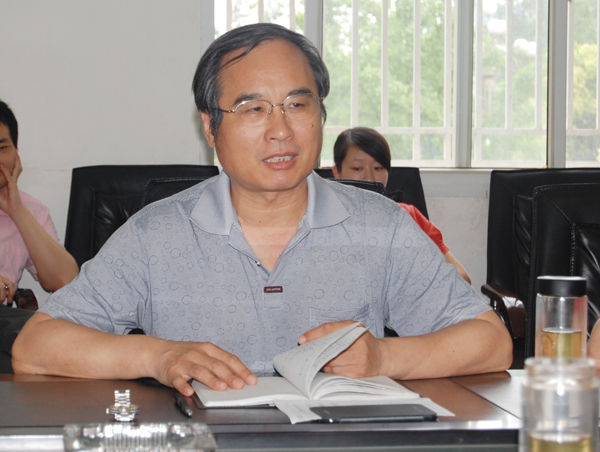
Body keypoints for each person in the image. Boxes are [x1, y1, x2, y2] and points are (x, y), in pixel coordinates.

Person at [13, 24, 512, 396]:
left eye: (297, 105)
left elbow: (492, 342)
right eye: (253, 109)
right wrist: (158, 355)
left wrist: (383, 356)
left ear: (320, 116)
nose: (280, 130)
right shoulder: (155, 234)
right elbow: (34, 347)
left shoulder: (380, 226)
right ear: (210, 127)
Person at [332, 127, 471, 283]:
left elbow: (462, 278)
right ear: (337, 172)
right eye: (357, 168)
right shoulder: (323, 220)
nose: (370, 178)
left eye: (378, 168)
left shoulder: (408, 216)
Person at [0, 100, 79, 372]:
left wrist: (17, 211)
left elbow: (66, 281)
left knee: (51, 339)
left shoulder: (31, 211)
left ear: (16, 154)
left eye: (2, 148)